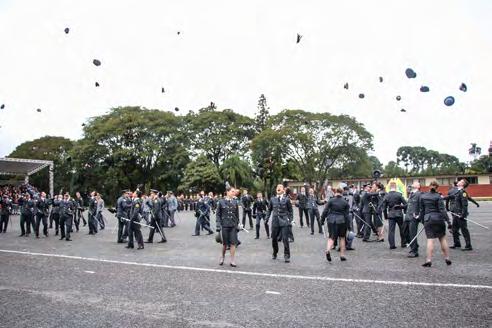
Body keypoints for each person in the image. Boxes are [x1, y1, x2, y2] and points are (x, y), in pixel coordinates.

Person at [419, 181, 452, 267]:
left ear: (429, 186)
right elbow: (442, 210)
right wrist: (448, 222)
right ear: (437, 188)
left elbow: (422, 210)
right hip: (439, 219)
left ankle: (428, 260)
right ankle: (447, 258)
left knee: (430, 241)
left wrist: (423, 221)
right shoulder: (438, 197)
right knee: (442, 239)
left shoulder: (423, 196)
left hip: (428, 219)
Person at [321, 188, 350, 262]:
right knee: (342, 238)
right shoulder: (345, 202)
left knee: (331, 237)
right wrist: (349, 226)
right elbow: (347, 215)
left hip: (331, 220)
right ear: (342, 193)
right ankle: (342, 255)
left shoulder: (331, 200)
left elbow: (325, 211)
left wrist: (322, 220)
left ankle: (328, 250)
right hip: (342, 221)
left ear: (335, 192)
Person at [266, 184, 293, 263]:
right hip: (275, 221)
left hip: (284, 221)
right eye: (277, 187)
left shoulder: (287, 199)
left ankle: (286, 255)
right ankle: (275, 252)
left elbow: (291, 211)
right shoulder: (272, 199)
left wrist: (290, 220)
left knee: (285, 239)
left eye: (280, 187)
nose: (278, 188)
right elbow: (269, 210)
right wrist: (266, 218)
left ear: (283, 190)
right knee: (274, 238)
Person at [216, 186, 240, 267]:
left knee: (233, 243)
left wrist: (238, 224)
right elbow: (218, 214)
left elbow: (237, 215)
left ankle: (232, 260)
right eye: (232, 191)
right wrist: (218, 225)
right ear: (227, 192)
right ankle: (222, 257)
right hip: (225, 225)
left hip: (233, 225)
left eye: (234, 192)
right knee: (225, 244)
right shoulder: (221, 202)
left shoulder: (235, 202)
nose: (234, 193)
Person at [447, 179, 472, 251]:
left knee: (464, 230)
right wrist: (442, 197)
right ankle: (457, 244)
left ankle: (468, 245)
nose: (458, 181)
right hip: (456, 214)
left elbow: (465, 205)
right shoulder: (458, 191)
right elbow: (450, 197)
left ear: (463, 184)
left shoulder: (463, 192)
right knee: (454, 229)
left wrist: (463, 215)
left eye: (460, 181)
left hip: (461, 215)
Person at [380, 182, 407, 249]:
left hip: (391, 214)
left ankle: (392, 245)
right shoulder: (399, 195)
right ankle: (403, 243)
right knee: (402, 229)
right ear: (395, 187)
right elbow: (406, 205)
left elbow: (384, 208)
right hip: (399, 214)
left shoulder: (387, 196)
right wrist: (400, 207)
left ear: (389, 187)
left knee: (391, 231)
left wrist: (386, 216)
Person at [405, 182, 422, 258]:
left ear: (418, 186)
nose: (413, 184)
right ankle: (414, 245)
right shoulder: (411, 193)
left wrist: (419, 216)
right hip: (408, 216)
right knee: (404, 232)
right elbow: (409, 205)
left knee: (412, 234)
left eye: (415, 183)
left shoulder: (419, 194)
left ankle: (414, 251)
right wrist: (400, 207)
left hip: (414, 217)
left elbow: (422, 206)